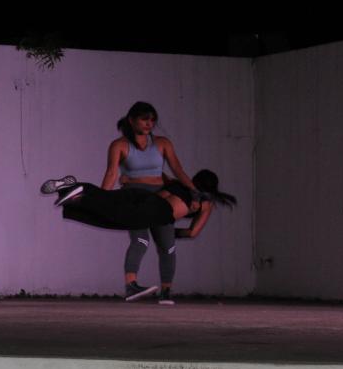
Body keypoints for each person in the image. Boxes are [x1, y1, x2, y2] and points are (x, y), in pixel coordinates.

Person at [41, 170, 237, 304]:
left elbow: (158, 176)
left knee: (109, 204)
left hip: (141, 195)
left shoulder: (177, 184)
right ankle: (81, 193)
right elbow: (193, 232)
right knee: (116, 219)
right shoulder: (205, 203)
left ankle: (74, 191)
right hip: (157, 212)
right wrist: (174, 233)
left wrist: (128, 179)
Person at [101, 102, 195, 303]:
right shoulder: (119, 145)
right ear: (131, 120)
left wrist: (194, 191)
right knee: (141, 240)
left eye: (152, 120)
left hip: (161, 197)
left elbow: (178, 170)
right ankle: (131, 285)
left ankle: (166, 291)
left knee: (167, 245)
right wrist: (101, 199)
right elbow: (111, 174)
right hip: (134, 197)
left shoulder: (162, 143)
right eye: (144, 119)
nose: (149, 124)